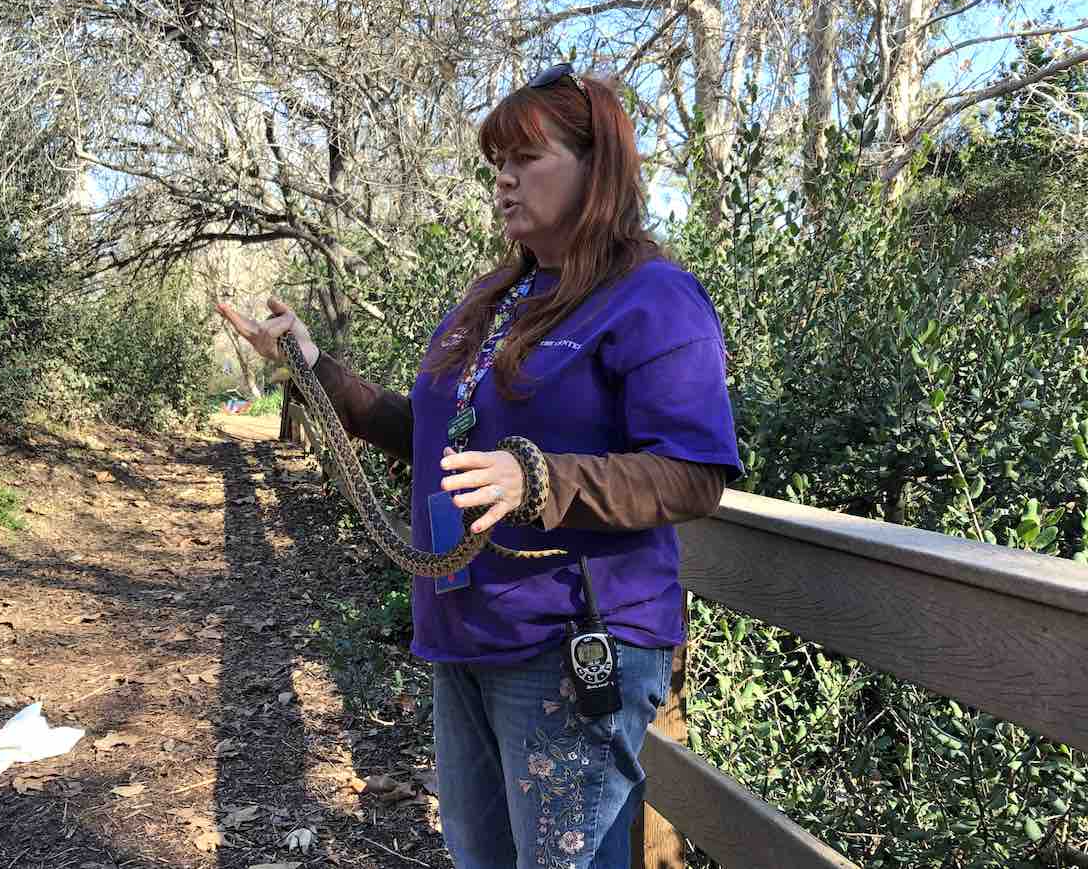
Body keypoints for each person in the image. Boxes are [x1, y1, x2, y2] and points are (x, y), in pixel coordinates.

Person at [218, 64, 742, 869]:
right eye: (495, 162)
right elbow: (436, 436)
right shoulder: (496, 298)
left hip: (568, 642)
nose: (502, 180)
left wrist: (540, 480)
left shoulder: (654, 297)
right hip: (463, 630)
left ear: (596, 164)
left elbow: (691, 473)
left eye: (525, 159)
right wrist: (315, 367)